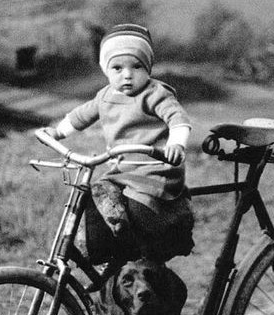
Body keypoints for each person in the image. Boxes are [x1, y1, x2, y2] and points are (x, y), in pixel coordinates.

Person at [45, 23, 194, 264]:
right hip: (121, 169)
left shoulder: (155, 93)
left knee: (140, 209)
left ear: (148, 68)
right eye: (117, 68)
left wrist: (176, 144)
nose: (127, 75)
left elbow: (177, 118)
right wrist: (58, 132)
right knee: (95, 198)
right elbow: (80, 116)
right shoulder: (105, 96)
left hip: (154, 169)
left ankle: (145, 252)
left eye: (136, 66)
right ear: (106, 70)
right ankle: (103, 248)